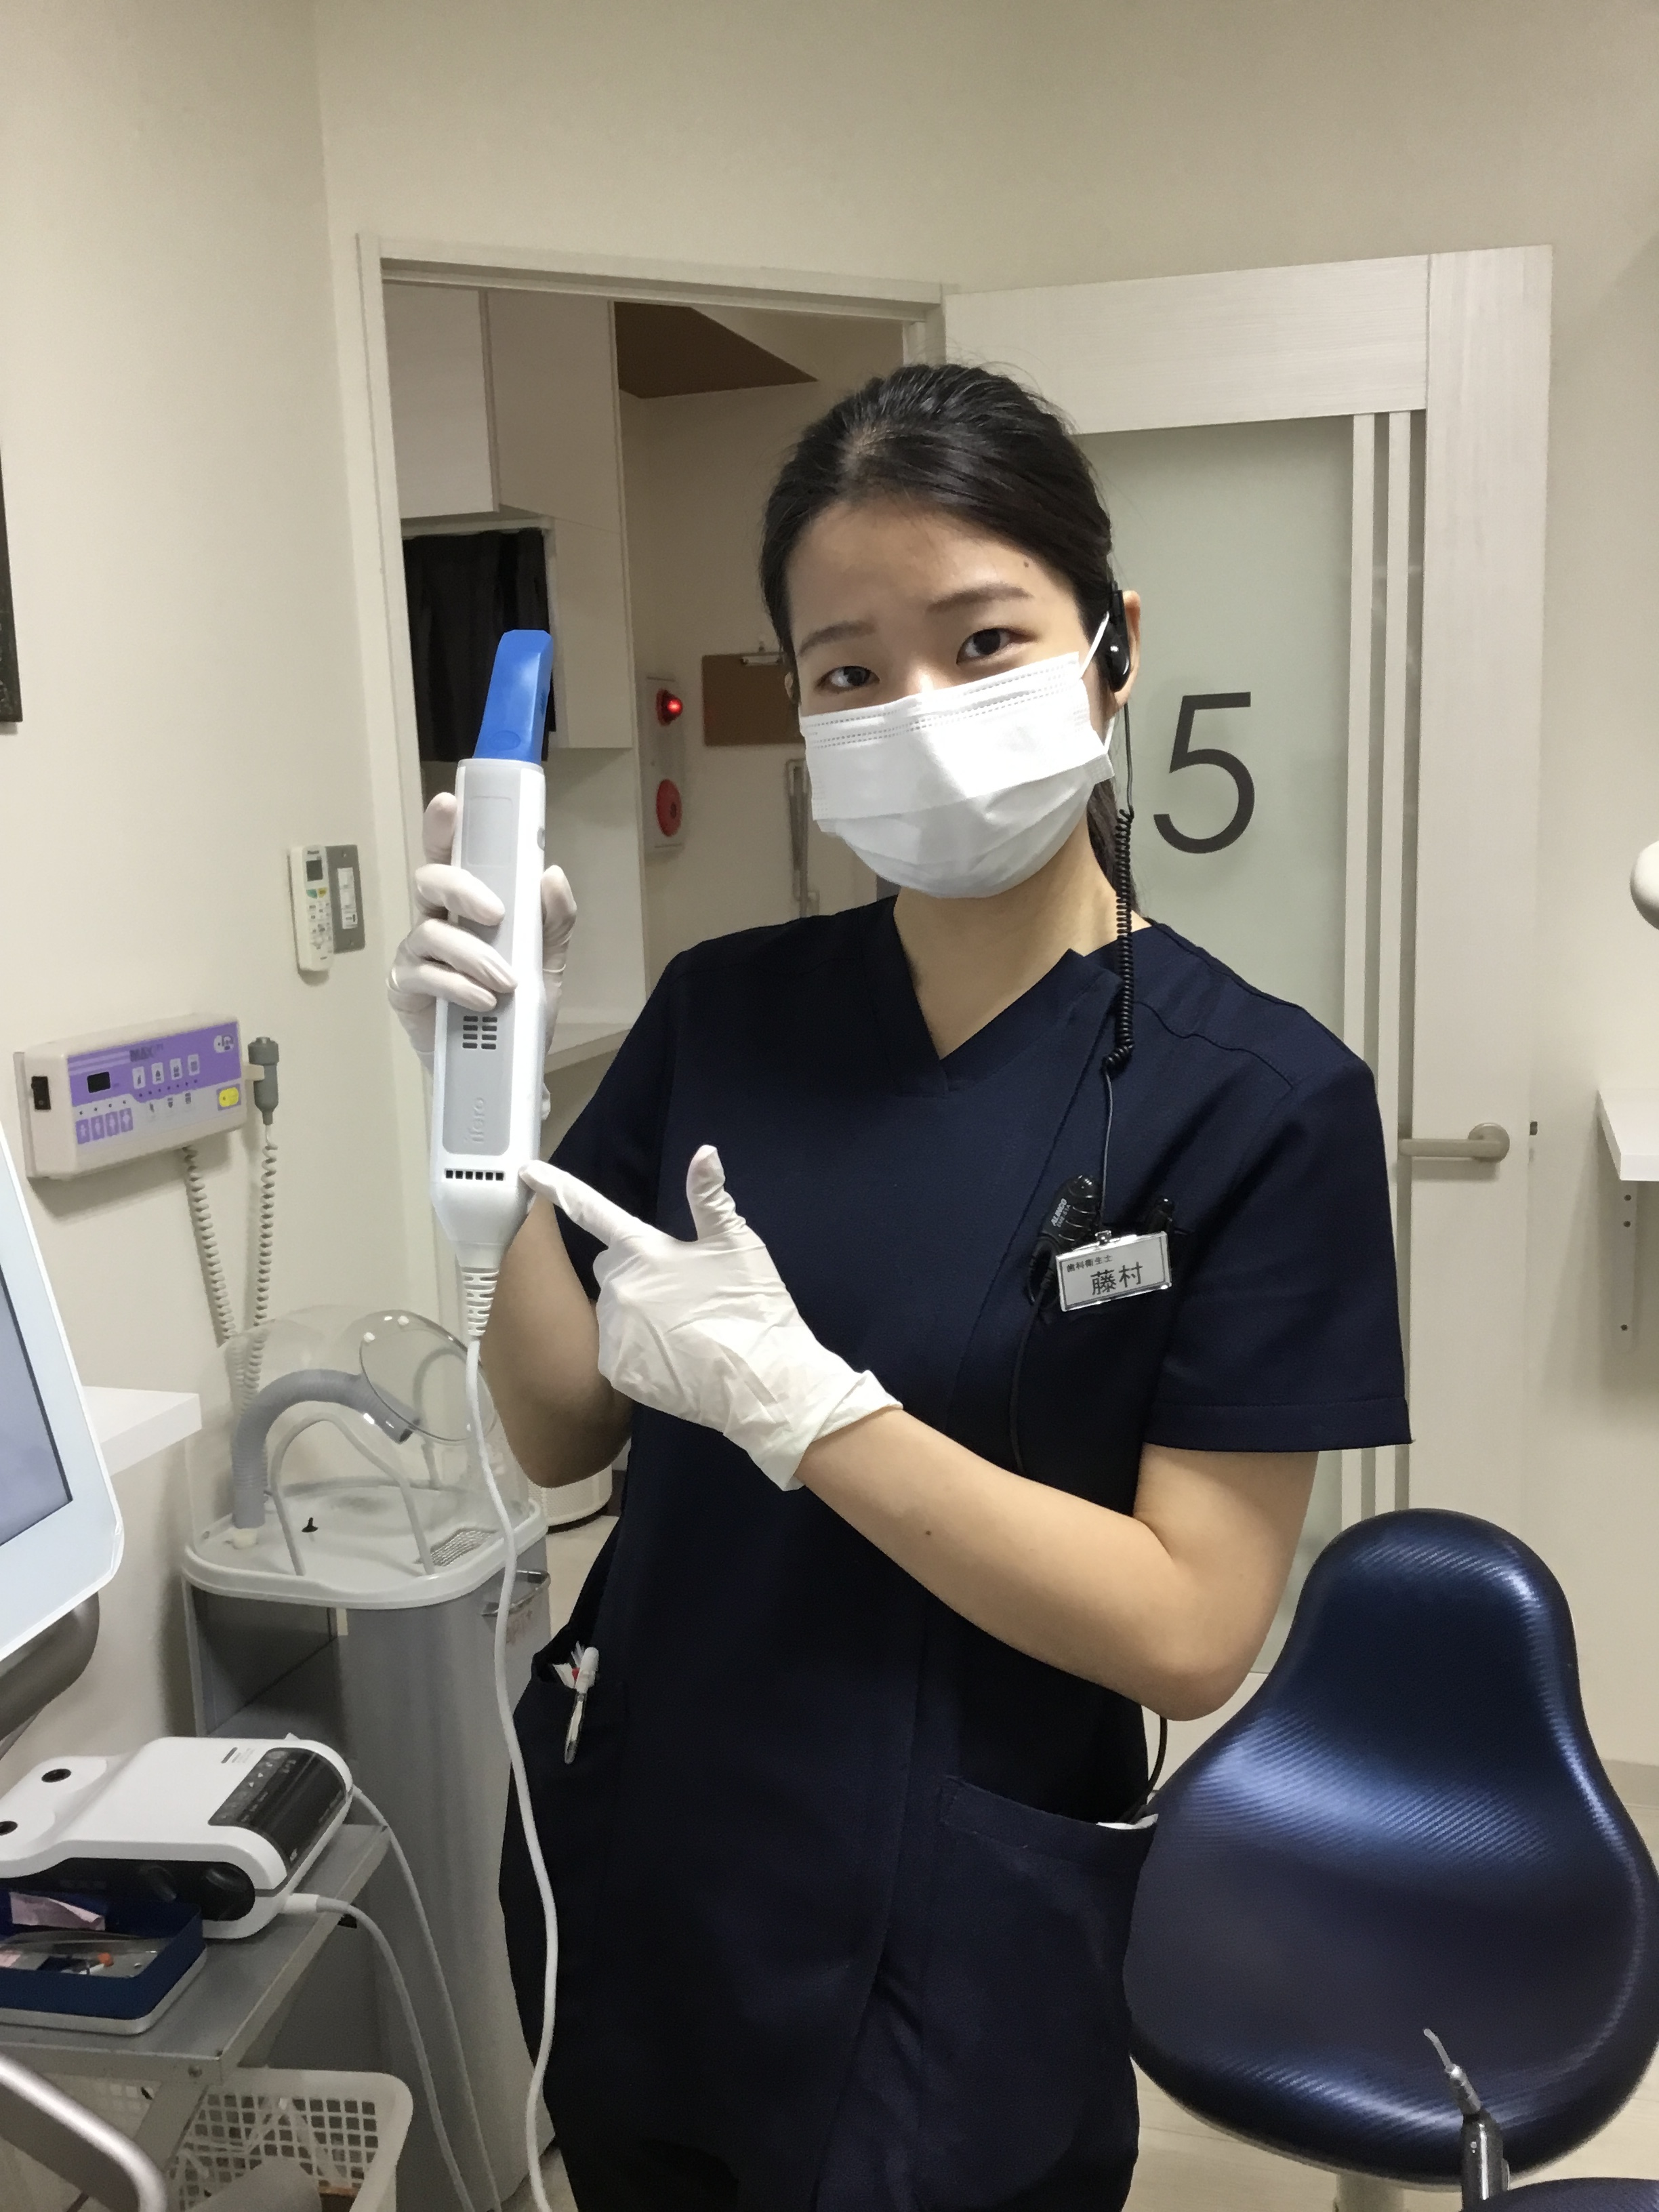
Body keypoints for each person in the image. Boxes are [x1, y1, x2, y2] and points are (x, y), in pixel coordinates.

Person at [387, 363, 1410, 2212]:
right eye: (848, 670)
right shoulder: (723, 1013)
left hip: (964, 1930)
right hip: (655, 1861)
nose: (916, 708)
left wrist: (812, 1415)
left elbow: (1193, 1624)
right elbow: (553, 1427)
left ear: (1113, 646)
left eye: (983, 638)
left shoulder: (1264, 1102)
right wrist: (492, 1098)